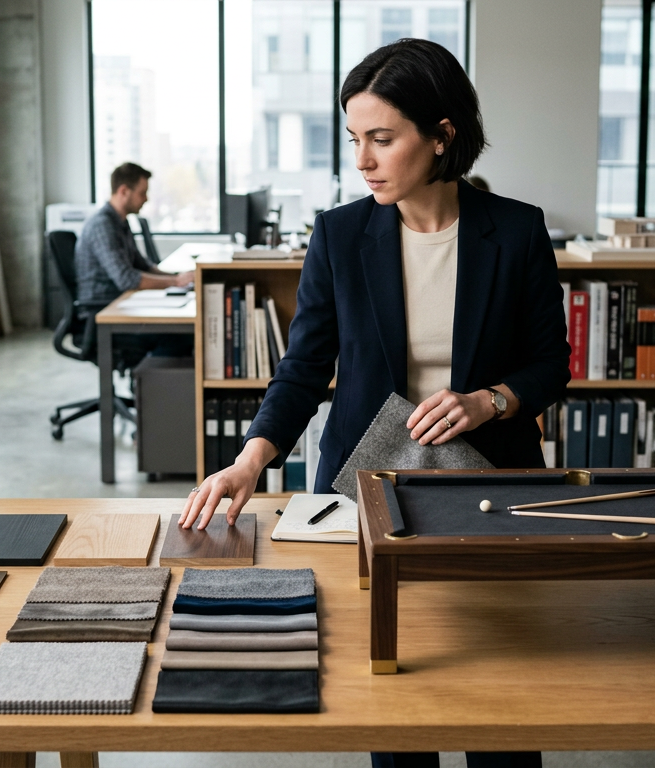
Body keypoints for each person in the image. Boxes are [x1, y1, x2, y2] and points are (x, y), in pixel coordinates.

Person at [180, 38, 569, 768]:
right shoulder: (339, 234)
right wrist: (249, 461)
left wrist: (492, 400)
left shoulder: (514, 231)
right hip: (371, 487)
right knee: (393, 696)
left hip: (493, 487)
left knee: (504, 703)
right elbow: (303, 368)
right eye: (355, 139)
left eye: (382, 140)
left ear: (442, 135)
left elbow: (552, 364)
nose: (362, 160)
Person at [75, 162, 195, 357]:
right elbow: (127, 279)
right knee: (178, 337)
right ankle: (149, 385)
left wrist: (180, 277)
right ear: (124, 191)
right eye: (142, 193)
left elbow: (142, 265)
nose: (146, 199)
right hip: (103, 313)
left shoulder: (120, 223)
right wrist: (175, 282)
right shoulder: (102, 226)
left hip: (123, 304)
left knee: (178, 328)